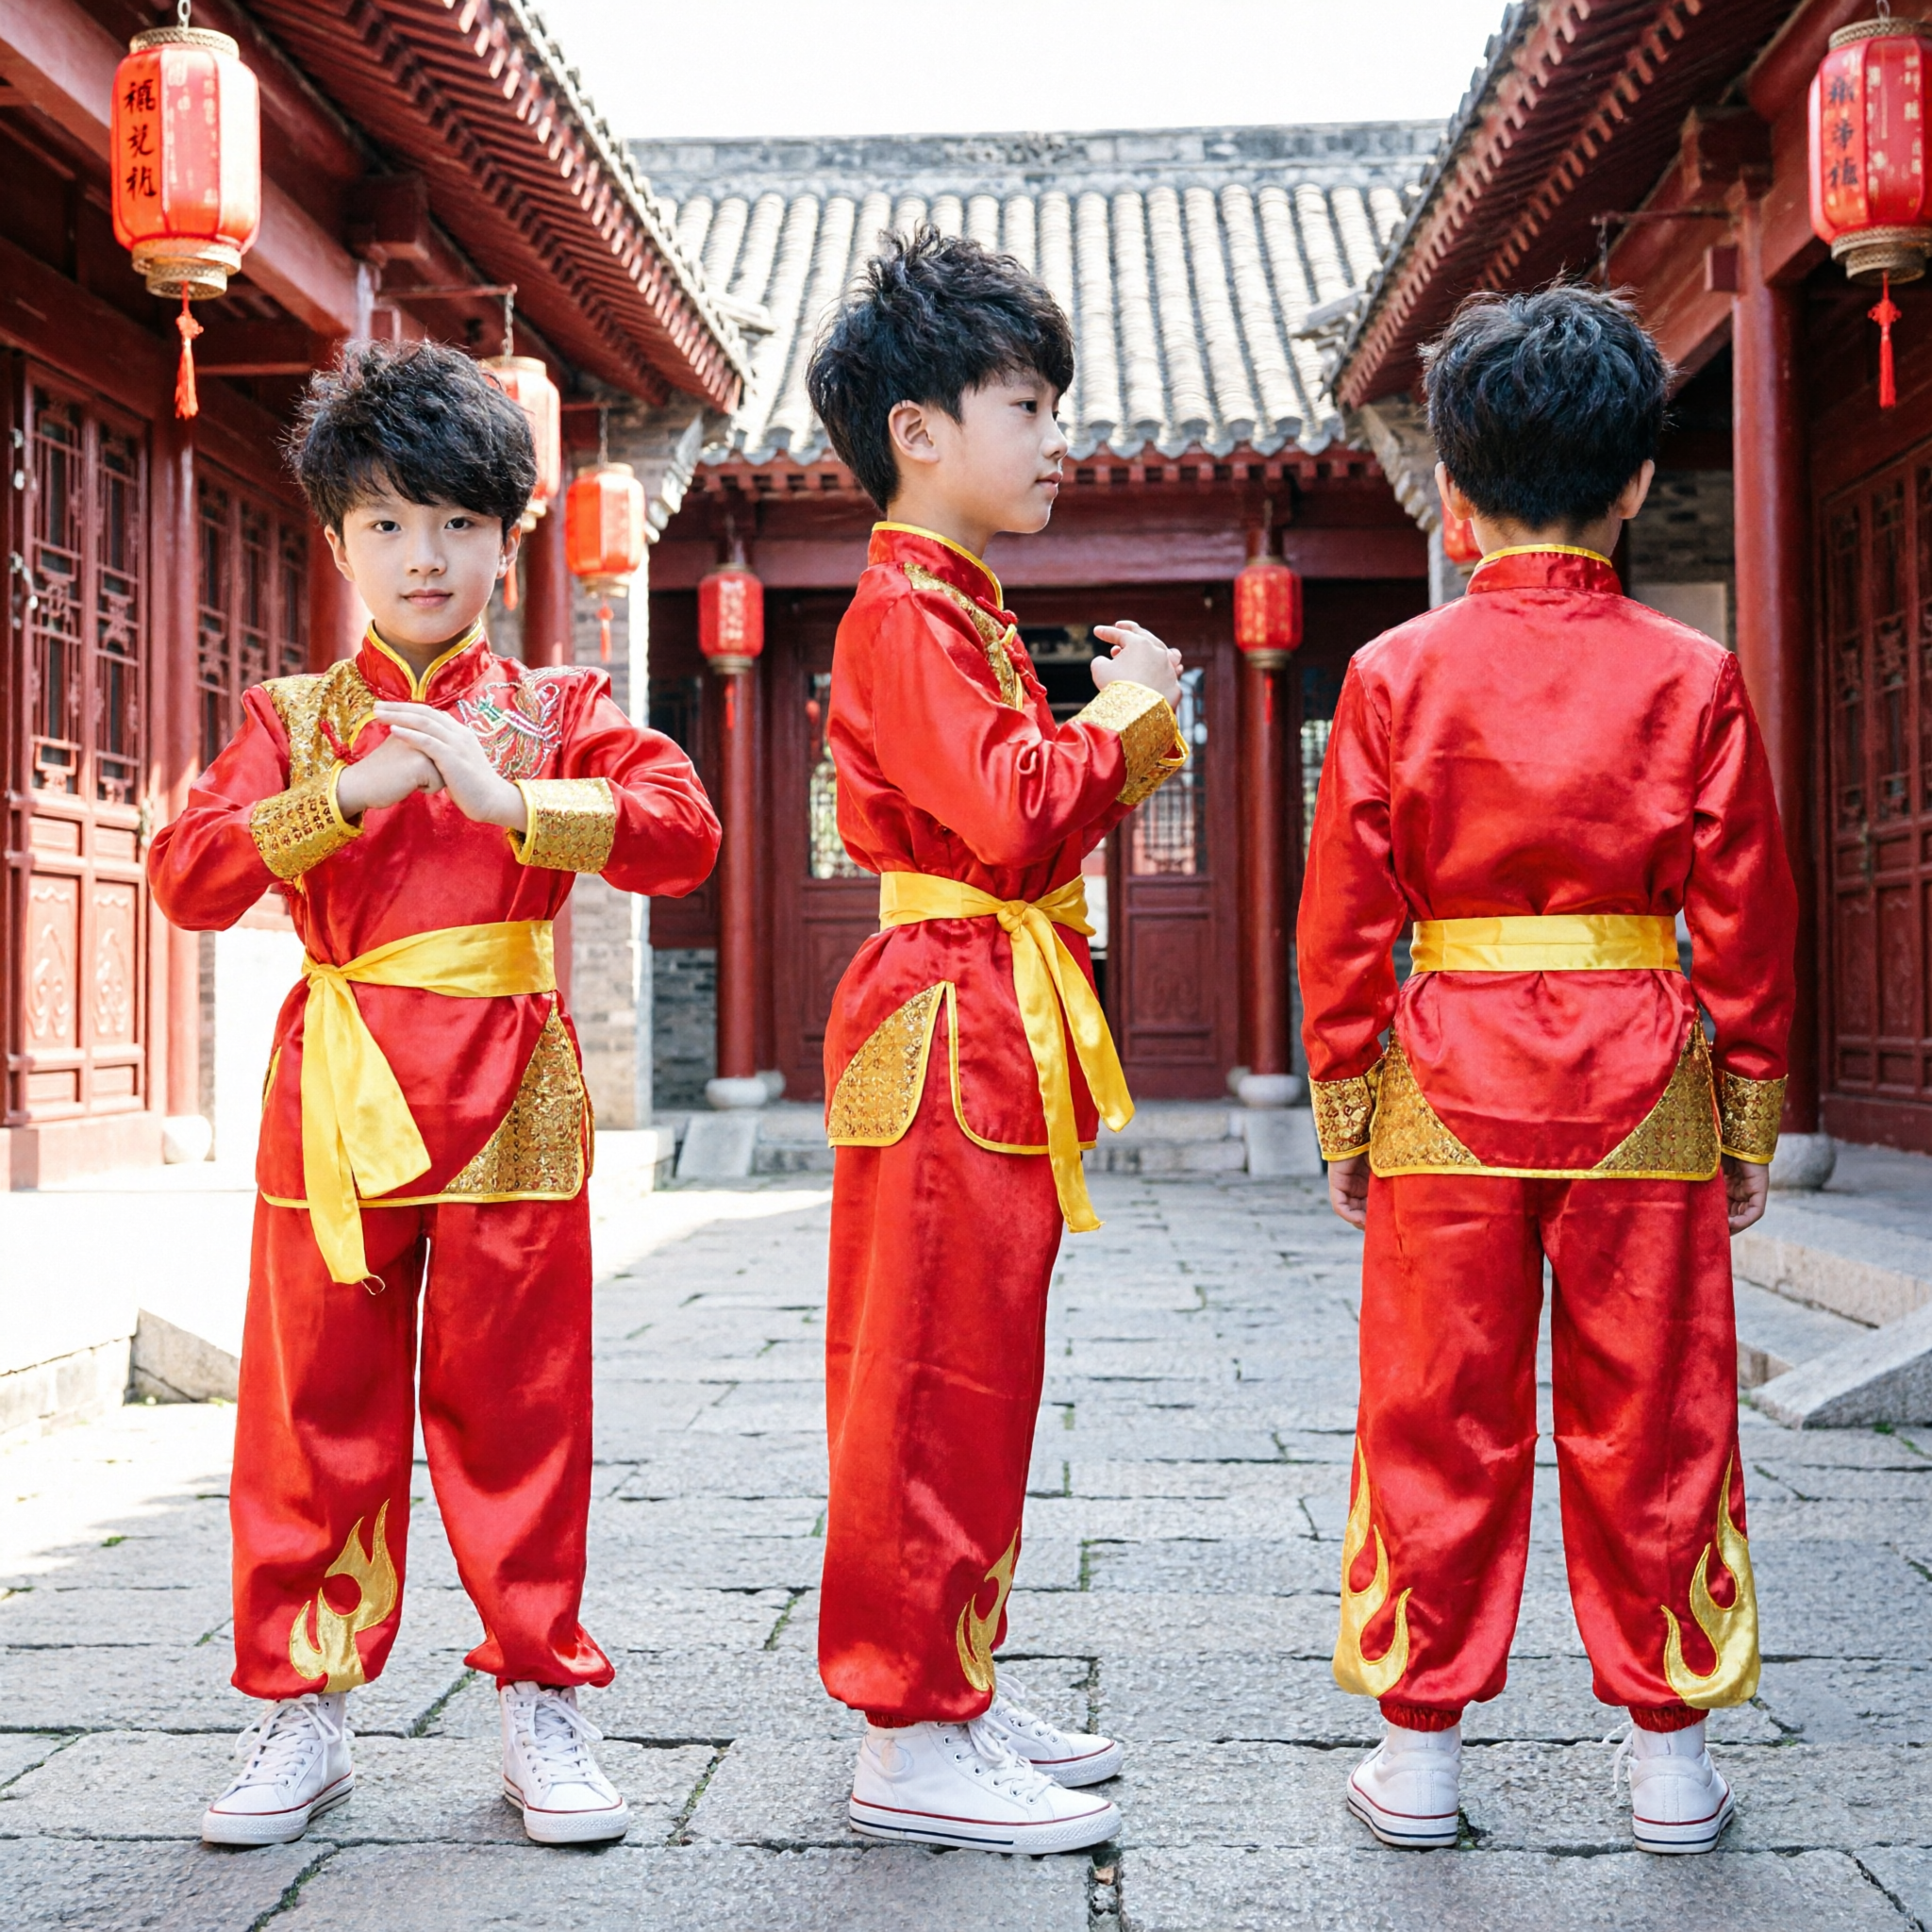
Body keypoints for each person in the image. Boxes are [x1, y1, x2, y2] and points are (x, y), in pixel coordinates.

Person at [148, 341, 720, 1848]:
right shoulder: (288, 718)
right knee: (309, 1406)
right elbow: (187, 878)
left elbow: (683, 830)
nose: (426, 555)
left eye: (461, 523)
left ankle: (543, 1696)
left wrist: (509, 796)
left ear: (508, 541)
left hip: (511, 1091)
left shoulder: (558, 703)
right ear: (337, 542)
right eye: (391, 524)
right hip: (336, 1092)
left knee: (520, 1411)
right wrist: (352, 793)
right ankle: (298, 1704)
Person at [1298, 284, 1796, 1857]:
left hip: (1447, 1075)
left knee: (1436, 1409)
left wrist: (1343, 1102)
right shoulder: (1691, 673)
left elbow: (1342, 921)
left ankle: (1422, 1754)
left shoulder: (1390, 674)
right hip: (1644, 1079)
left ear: (1450, 490)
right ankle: (1671, 1764)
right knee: (1653, 1408)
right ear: (1640, 482)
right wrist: (1753, 1110)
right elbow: (1748, 915)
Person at [802, 227, 1189, 1855]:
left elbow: (1019, 827)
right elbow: (1020, 812)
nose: (1055, 438)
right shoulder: (907, 613)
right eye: (1025, 404)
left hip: (981, 1002)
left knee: (979, 1367)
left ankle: (950, 1675)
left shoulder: (950, 605)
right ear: (921, 430)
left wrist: (1113, 731)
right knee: (928, 1373)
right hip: (950, 1009)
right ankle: (909, 1732)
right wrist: (1127, 714)